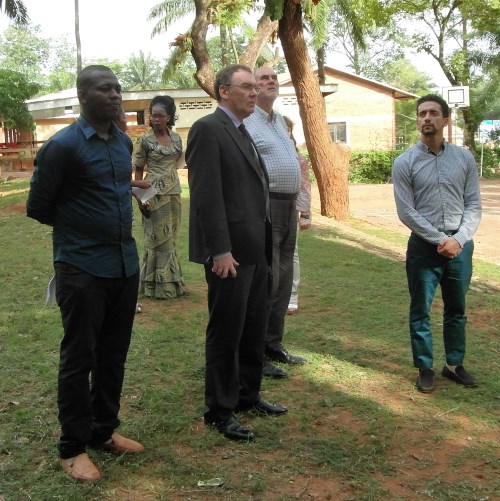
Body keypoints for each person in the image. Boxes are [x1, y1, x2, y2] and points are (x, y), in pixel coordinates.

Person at [26, 65, 144, 482]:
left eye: (117, 89)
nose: (115, 95)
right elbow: (38, 207)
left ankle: (103, 431)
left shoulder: (121, 143)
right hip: (81, 267)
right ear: (83, 95)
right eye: (104, 89)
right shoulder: (63, 147)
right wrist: (82, 228)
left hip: (125, 264)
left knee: (114, 353)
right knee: (80, 358)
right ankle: (72, 447)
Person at [186, 64, 288, 442]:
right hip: (229, 256)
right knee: (226, 331)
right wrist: (220, 251)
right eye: (246, 87)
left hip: (255, 250)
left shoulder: (243, 131)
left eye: (253, 87)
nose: (253, 92)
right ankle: (220, 409)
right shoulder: (208, 129)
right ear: (223, 91)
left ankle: (248, 395)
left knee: (252, 327)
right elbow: (207, 198)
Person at [392, 94, 482, 393]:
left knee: (456, 308)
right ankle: (425, 367)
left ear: (446, 120)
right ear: (417, 120)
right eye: (421, 114)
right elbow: (407, 211)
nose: (426, 118)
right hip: (423, 248)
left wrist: (457, 239)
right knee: (420, 309)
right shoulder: (405, 162)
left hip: (459, 247)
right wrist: (440, 239)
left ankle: (454, 364)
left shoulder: (464, 158)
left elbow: (473, 205)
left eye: (433, 113)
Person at [244, 66, 305, 379]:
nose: (269, 81)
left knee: (284, 276)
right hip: (265, 207)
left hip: (289, 206)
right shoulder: (246, 121)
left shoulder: (280, 121)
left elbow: (296, 162)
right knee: (266, 279)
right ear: (252, 88)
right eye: (262, 78)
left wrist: (303, 206)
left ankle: (274, 344)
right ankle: (256, 352)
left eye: (273, 78)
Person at [132, 95, 186, 299]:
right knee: (156, 239)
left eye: (160, 116)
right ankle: (153, 285)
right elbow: (137, 171)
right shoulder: (144, 140)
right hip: (152, 193)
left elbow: (178, 164)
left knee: (170, 237)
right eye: (153, 115)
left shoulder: (176, 138)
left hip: (174, 193)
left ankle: (172, 282)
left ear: (169, 117)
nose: (156, 119)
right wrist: (140, 197)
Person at [282, 116, 312, 314]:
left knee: (291, 253)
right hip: (265, 209)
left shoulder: (298, 158)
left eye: (287, 129)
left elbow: (305, 186)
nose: (284, 132)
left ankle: (292, 296)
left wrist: (305, 213)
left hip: (290, 209)